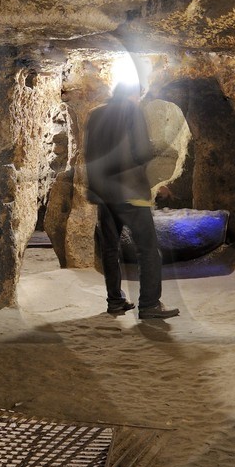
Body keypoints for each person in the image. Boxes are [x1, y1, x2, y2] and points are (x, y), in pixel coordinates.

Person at [83, 82, 179, 319]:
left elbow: (88, 154)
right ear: (134, 95)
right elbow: (141, 151)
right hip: (130, 192)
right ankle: (149, 304)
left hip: (104, 194)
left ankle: (115, 301)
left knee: (109, 248)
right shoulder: (132, 110)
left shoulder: (95, 115)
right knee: (147, 249)